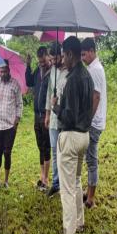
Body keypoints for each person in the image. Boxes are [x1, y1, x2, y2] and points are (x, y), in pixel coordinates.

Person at [52, 36, 94, 234]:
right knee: (76, 181)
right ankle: (79, 222)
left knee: (66, 190)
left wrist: (56, 107)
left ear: (69, 54)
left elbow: (68, 116)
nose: (61, 59)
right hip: (84, 137)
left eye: (63, 54)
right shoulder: (87, 76)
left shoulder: (71, 80)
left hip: (69, 137)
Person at [81, 38, 107, 208]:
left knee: (91, 160)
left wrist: (87, 120)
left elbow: (96, 97)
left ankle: (90, 199)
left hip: (93, 123)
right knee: (89, 159)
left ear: (91, 51)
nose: (82, 57)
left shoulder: (95, 70)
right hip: (95, 121)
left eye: (84, 54)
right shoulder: (93, 68)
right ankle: (88, 191)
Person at [0, 60, 23, 189]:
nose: (3, 73)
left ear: (9, 70)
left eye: (5, 71)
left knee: (7, 152)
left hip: (10, 126)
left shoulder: (15, 84)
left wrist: (17, 120)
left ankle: (6, 181)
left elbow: (19, 104)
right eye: (1, 71)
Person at [25, 46, 51, 191]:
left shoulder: (53, 72)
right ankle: (42, 176)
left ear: (48, 56)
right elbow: (29, 82)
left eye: (43, 61)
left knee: (46, 146)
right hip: (36, 115)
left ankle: (46, 178)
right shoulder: (38, 71)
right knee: (40, 146)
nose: (41, 63)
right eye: (39, 61)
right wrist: (28, 65)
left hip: (46, 115)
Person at [45, 41, 68, 197]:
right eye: (51, 59)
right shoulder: (52, 71)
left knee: (64, 152)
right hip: (53, 118)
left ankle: (65, 183)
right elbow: (48, 94)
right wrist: (47, 114)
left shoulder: (69, 71)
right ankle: (55, 183)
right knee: (54, 151)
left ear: (61, 55)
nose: (52, 62)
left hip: (65, 118)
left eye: (54, 59)